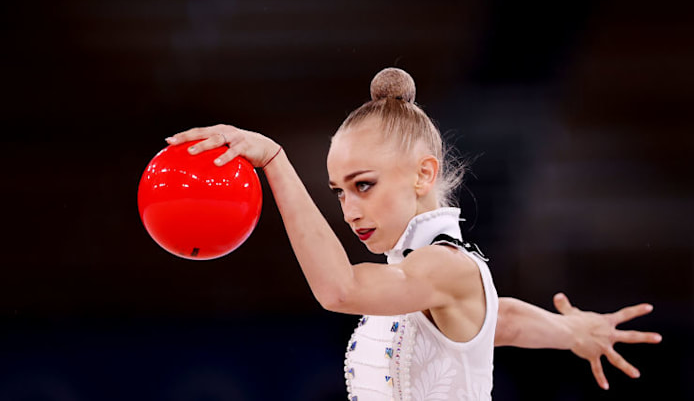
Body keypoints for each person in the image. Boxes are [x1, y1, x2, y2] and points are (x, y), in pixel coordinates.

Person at [166, 67, 661, 399]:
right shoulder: (430, 275)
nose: (349, 209)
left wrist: (275, 162)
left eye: (364, 185)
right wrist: (571, 331)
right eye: (339, 191)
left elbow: (341, 289)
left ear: (424, 175)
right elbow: (498, 321)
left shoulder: (446, 267)